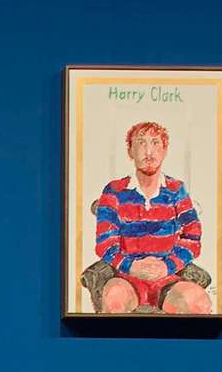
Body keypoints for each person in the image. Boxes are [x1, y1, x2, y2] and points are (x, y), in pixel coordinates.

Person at [85, 121, 214, 315]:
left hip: (168, 278)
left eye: (155, 143)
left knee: (198, 304)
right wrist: (132, 267)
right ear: (130, 151)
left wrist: (167, 266)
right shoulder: (114, 191)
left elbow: (192, 238)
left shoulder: (176, 191)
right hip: (127, 277)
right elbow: (105, 243)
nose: (148, 152)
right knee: (114, 301)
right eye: (141, 143)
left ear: (164, 150)